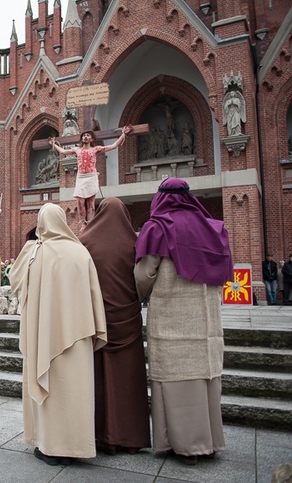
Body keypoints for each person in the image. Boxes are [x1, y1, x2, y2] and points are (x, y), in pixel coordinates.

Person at [134, 177, 233, 465]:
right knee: (205, 378)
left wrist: (137, 295)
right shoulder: (211, 227)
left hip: (172, 319)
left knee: (176, 377)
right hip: (207, 321)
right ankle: (210, 441)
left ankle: (186, 446)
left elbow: (145, 275)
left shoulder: (158, 227)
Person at [8, 203, 107, 466]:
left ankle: (49, 445)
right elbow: (94, 294)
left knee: (50, 392)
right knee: (75, 390)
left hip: (43, 335)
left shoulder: (34, 253)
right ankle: (76, 445)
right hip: (77, 335)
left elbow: (13, 281)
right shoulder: (80, 252)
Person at [78, 197, 151, 455]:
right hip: (128, 318)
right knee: (127, 378)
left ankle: (100, 436)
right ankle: (130, 438)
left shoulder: (85, 242)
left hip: (98, 320)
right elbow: (144, 278)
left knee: (99, 377)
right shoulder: (136, 242)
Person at [48, 125, 133, 228]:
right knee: (80, 201)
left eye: (88, 135)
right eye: (84, 136)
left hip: (91, 176)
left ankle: (90, 223)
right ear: (82, 138)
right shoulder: (77, 149)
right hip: (81, 177)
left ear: (91, 138)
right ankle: (83, 222)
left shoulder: (95, 149)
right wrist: (53, 144)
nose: (86, 137)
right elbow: (63, 152)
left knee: (90, 202)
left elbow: (113, 146)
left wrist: (123, 134)